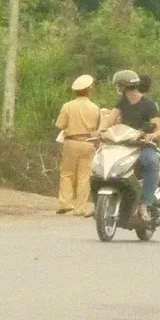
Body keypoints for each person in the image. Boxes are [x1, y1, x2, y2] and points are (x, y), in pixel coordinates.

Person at [104, 69, 160, 220]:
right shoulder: (122, 102)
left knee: (150, 162)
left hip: (143, 145)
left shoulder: (149, 104)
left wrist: (152, 135)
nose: (118, 89)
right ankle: (105, 202)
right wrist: (99, 131)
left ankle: (145, 203)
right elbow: (109, 120)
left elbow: (159, 129)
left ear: (124, 86)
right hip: (124, 145)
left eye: (119, 85)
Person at [54, 74, 101, 217]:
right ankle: (80, 208)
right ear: (89, 90)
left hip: (71, 142)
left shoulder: (67, 106)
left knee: (67, 173)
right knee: (84, 176)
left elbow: (60, 125)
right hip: (87, 143)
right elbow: (98, 128)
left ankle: (66, 203)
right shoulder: (95, 108)